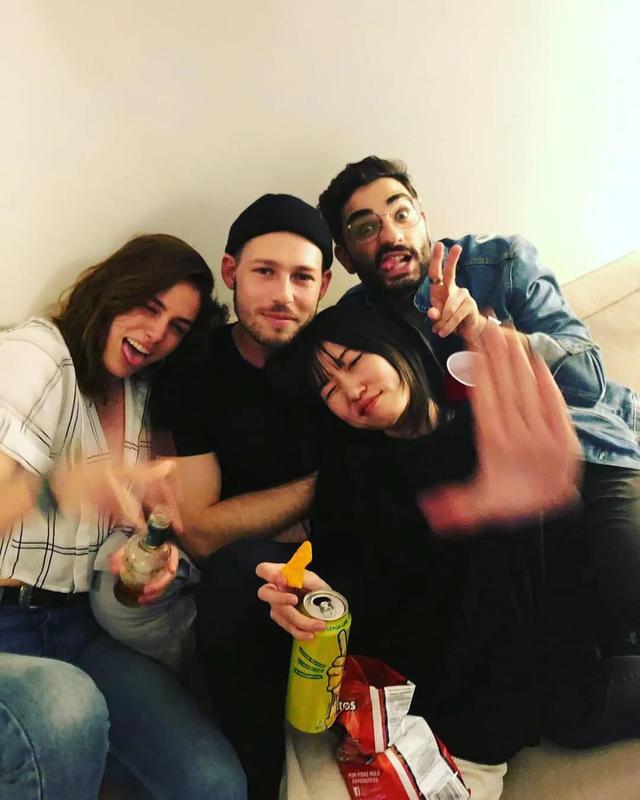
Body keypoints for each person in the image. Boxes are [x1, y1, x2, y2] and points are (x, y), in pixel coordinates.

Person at [258, 302, 640, 800]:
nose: (351, 391)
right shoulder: (348, 473)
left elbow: (553, 579)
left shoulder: (483, 428)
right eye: (329, 389)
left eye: (353, 362)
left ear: (394, 345)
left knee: (574, 707)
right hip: (440, 684)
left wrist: (502, 512)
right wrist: (315, 598)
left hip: (545, 653)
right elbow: (356, 593)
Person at [317, 155, 640, 655]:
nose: (391, 235)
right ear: (344, 256)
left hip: (590, 450)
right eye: (365, 228)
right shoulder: (353, 327)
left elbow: (589, 379)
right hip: (493, 491)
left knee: (627, 581)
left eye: (401, 213)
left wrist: (483, 331)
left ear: (422, 217)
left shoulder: (498, 263)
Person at [0, 234, 246, 800]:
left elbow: (119, 541)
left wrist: (144, 569)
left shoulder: (138, 394)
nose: (157, 334)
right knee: (66, 707)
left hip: (80, 626)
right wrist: (64, 487)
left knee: (215, 784)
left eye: (177, 326)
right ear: (112, 290)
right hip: (7, 625)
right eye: (148, 305)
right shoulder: (38, 355)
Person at [150, 194, 333, 799]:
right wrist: (321, 486)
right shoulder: (195, 370)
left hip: (353, 540)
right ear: (231, 273)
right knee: (235, 574)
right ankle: (260, 777)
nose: (284, 294)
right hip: (252, 568)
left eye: (302, 277)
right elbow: (200, 534)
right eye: (265, 272)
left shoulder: (339, 349)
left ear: (323, 285)